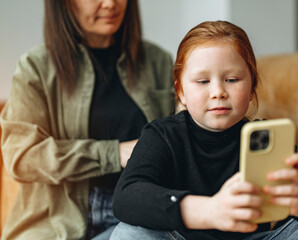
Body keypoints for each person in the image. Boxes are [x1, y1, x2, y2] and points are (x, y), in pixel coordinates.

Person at [109, 21, 298, 240]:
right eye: (203, 81)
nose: (218, 91)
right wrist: (209, 211)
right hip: (181, 237)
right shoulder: (162, 135)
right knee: (127, 233)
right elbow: (127, 197)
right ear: (181, 92)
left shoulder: (263, 136)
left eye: (232, 80)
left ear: (251, 88)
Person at [0, 0, 174, 239]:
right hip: (57, 225)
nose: (111, 4)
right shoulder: (35, 67)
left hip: (137, 213)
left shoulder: (159, 62)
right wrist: (115, 153)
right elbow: (22, 157)